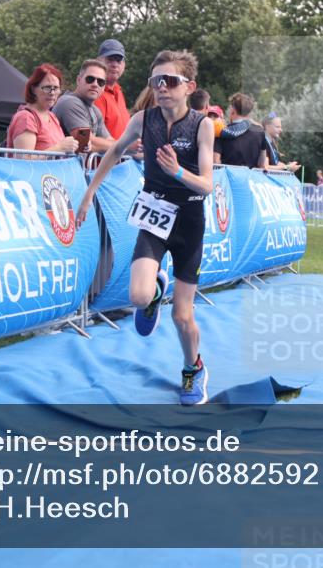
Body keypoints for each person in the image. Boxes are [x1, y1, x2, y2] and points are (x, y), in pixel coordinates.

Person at [76, 50, 214, 406]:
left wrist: (177, 172)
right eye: (156, 81)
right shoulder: (142, 120)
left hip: (188, 222)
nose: (162, 87)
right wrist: (89, 192)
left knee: (182, 316)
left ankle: (194, 368)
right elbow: (114, 151)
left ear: (189, 87)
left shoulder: (201, 125)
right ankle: (154, 292)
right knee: (138, 296)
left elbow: (207, 185)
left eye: (170, 81)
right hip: (154, 214)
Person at [6, 64, 78, 154]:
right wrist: (60, 147)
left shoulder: (52, 116)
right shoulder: (26, 117)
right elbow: (25, 158)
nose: (52, 93)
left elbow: (61, 151)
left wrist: (76, 146)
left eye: (56, 88)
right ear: (33, 89)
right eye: (47, 87)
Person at [53, 59, 114, 154]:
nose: (95, 84)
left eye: (100, 82)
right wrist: (127, 146)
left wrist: (126, 147)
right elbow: (86, 142)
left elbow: (109, 141)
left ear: (103, 87)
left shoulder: (95, 110)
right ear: (78, 80)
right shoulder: (69, 102)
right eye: (90, 79)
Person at [213, 92, 268, 169]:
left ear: (233, 110)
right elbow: (261, 163)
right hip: (250, 176)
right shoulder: (260, 132)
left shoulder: (222, 132)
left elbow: (215, 161)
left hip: (228, 175)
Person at [94, 39, 131, 139]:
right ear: (98, 62)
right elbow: (95, 136)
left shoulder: (118, 91)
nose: (115, 64)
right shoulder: (95, 93)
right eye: (110, 59)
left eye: (118, 60)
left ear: (124, 65)